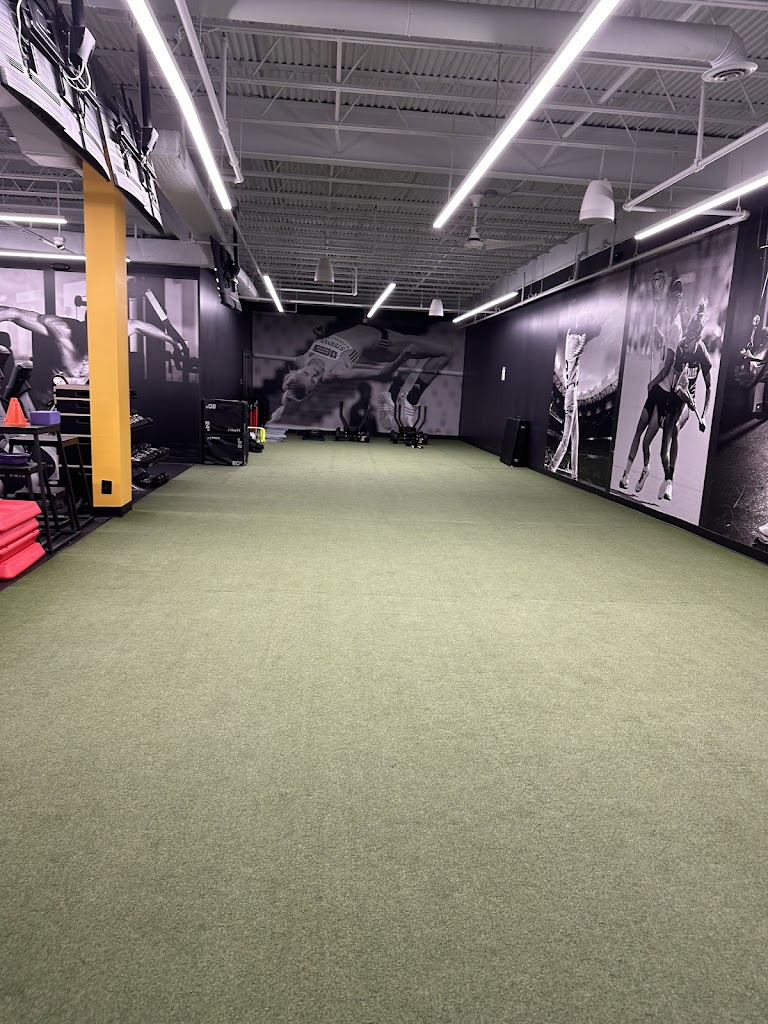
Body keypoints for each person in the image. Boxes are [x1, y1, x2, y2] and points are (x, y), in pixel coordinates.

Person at [0, 300, 192, 407]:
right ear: (85, 326)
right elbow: (13, 313)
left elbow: (138, 325)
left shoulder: (110, 332)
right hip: (55, 392)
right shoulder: (60, 329)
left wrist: (174, 342)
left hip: (89, 392)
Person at [268, 324, 454, 426]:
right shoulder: (335, 373)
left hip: (376, 330)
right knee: (446, 352)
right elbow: (382, 374)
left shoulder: (301, 360)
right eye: (314, 381)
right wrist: (402, 357)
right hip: (384, 343)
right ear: (315, 387)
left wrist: (321, 337)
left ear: (299, 370)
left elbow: (321, 351)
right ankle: (411, 401)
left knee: (420, 356)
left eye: (308, 374)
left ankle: (392, 397)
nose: (314, 374)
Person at [618, 280, 685, 493]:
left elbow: (668, 365)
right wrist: (659, 336)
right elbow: (667, 349)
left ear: (680, 300)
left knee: (647, 442)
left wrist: (652, 382)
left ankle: (646, 469)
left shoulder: (677, 327)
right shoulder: (671, 324)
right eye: (672, 296)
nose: (673, 300)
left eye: (677, 297)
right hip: (656, 391)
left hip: (664, 394)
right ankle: (626, 474)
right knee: (638, 430)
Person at [656, 297, 711, 502]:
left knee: (676, 429)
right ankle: (667, 477)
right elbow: (678, 385)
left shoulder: (701, 351)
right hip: (676, 396)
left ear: (698, 337)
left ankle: (670, 482)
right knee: (663, 451)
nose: (687, 342)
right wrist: (681, 391)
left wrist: (703, 416)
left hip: (688, 402)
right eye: (686, 336)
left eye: (691, 339)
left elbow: (709, 386)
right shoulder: (680, 347)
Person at [549, 305, 605, 480]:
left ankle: (574, 474)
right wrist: (593, 330)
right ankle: (551, 468)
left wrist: (589, 328)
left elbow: (584, 332)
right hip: (571, 393)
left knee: (575, 438)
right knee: (566, 440)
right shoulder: (574, 341)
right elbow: (585, 340)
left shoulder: (570, 336)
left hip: (571, 392)